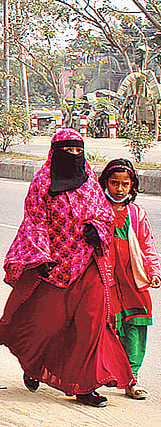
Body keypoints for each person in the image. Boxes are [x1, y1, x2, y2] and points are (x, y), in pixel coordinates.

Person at [0, 128, 135, 406]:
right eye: (68, 152)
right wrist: (40, 257)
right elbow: (33, 223)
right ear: (55, 153)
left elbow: (104, 214)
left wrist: (98, 230)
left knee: (92, 324)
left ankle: (85, 386)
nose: (74, 156)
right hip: (55, 267)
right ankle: (33, 365)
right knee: (47, 324)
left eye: (78, 151)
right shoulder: (41, 185)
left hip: (90, 263)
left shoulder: (90, 181)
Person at [99, 157, 161, 399]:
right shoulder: (96, 210)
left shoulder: (137, 214)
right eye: (114, 183)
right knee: (104, 329)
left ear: (132, 185)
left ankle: (131, 379)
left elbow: (147, 246)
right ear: (106, 182)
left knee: (135, 328)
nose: (119, 189)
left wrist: (153, 272)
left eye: (125, 184)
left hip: (133, 281)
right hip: (104, 280)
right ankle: (99, 376)